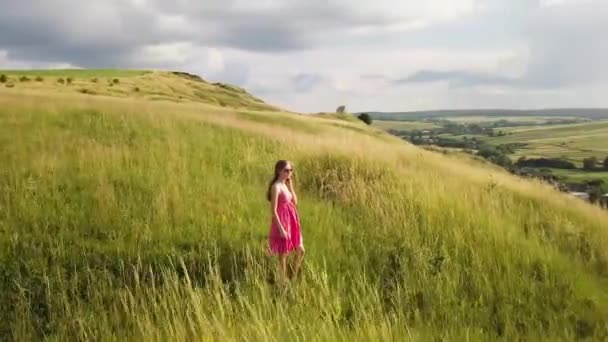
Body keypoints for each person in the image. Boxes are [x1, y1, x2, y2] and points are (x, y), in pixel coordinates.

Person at [267, 160, 304, 280]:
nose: (289, 173)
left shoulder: (285, 185)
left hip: (292, 220)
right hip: (283, 221)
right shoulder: (276, 187)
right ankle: (283, 281)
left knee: (301, 250)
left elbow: (295, 202)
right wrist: (281, 229)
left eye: (291, 170)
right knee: (283, 254)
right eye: (286, 170)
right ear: (279, 171)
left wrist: (291, 186)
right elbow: (273, 210)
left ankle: (293, 275)